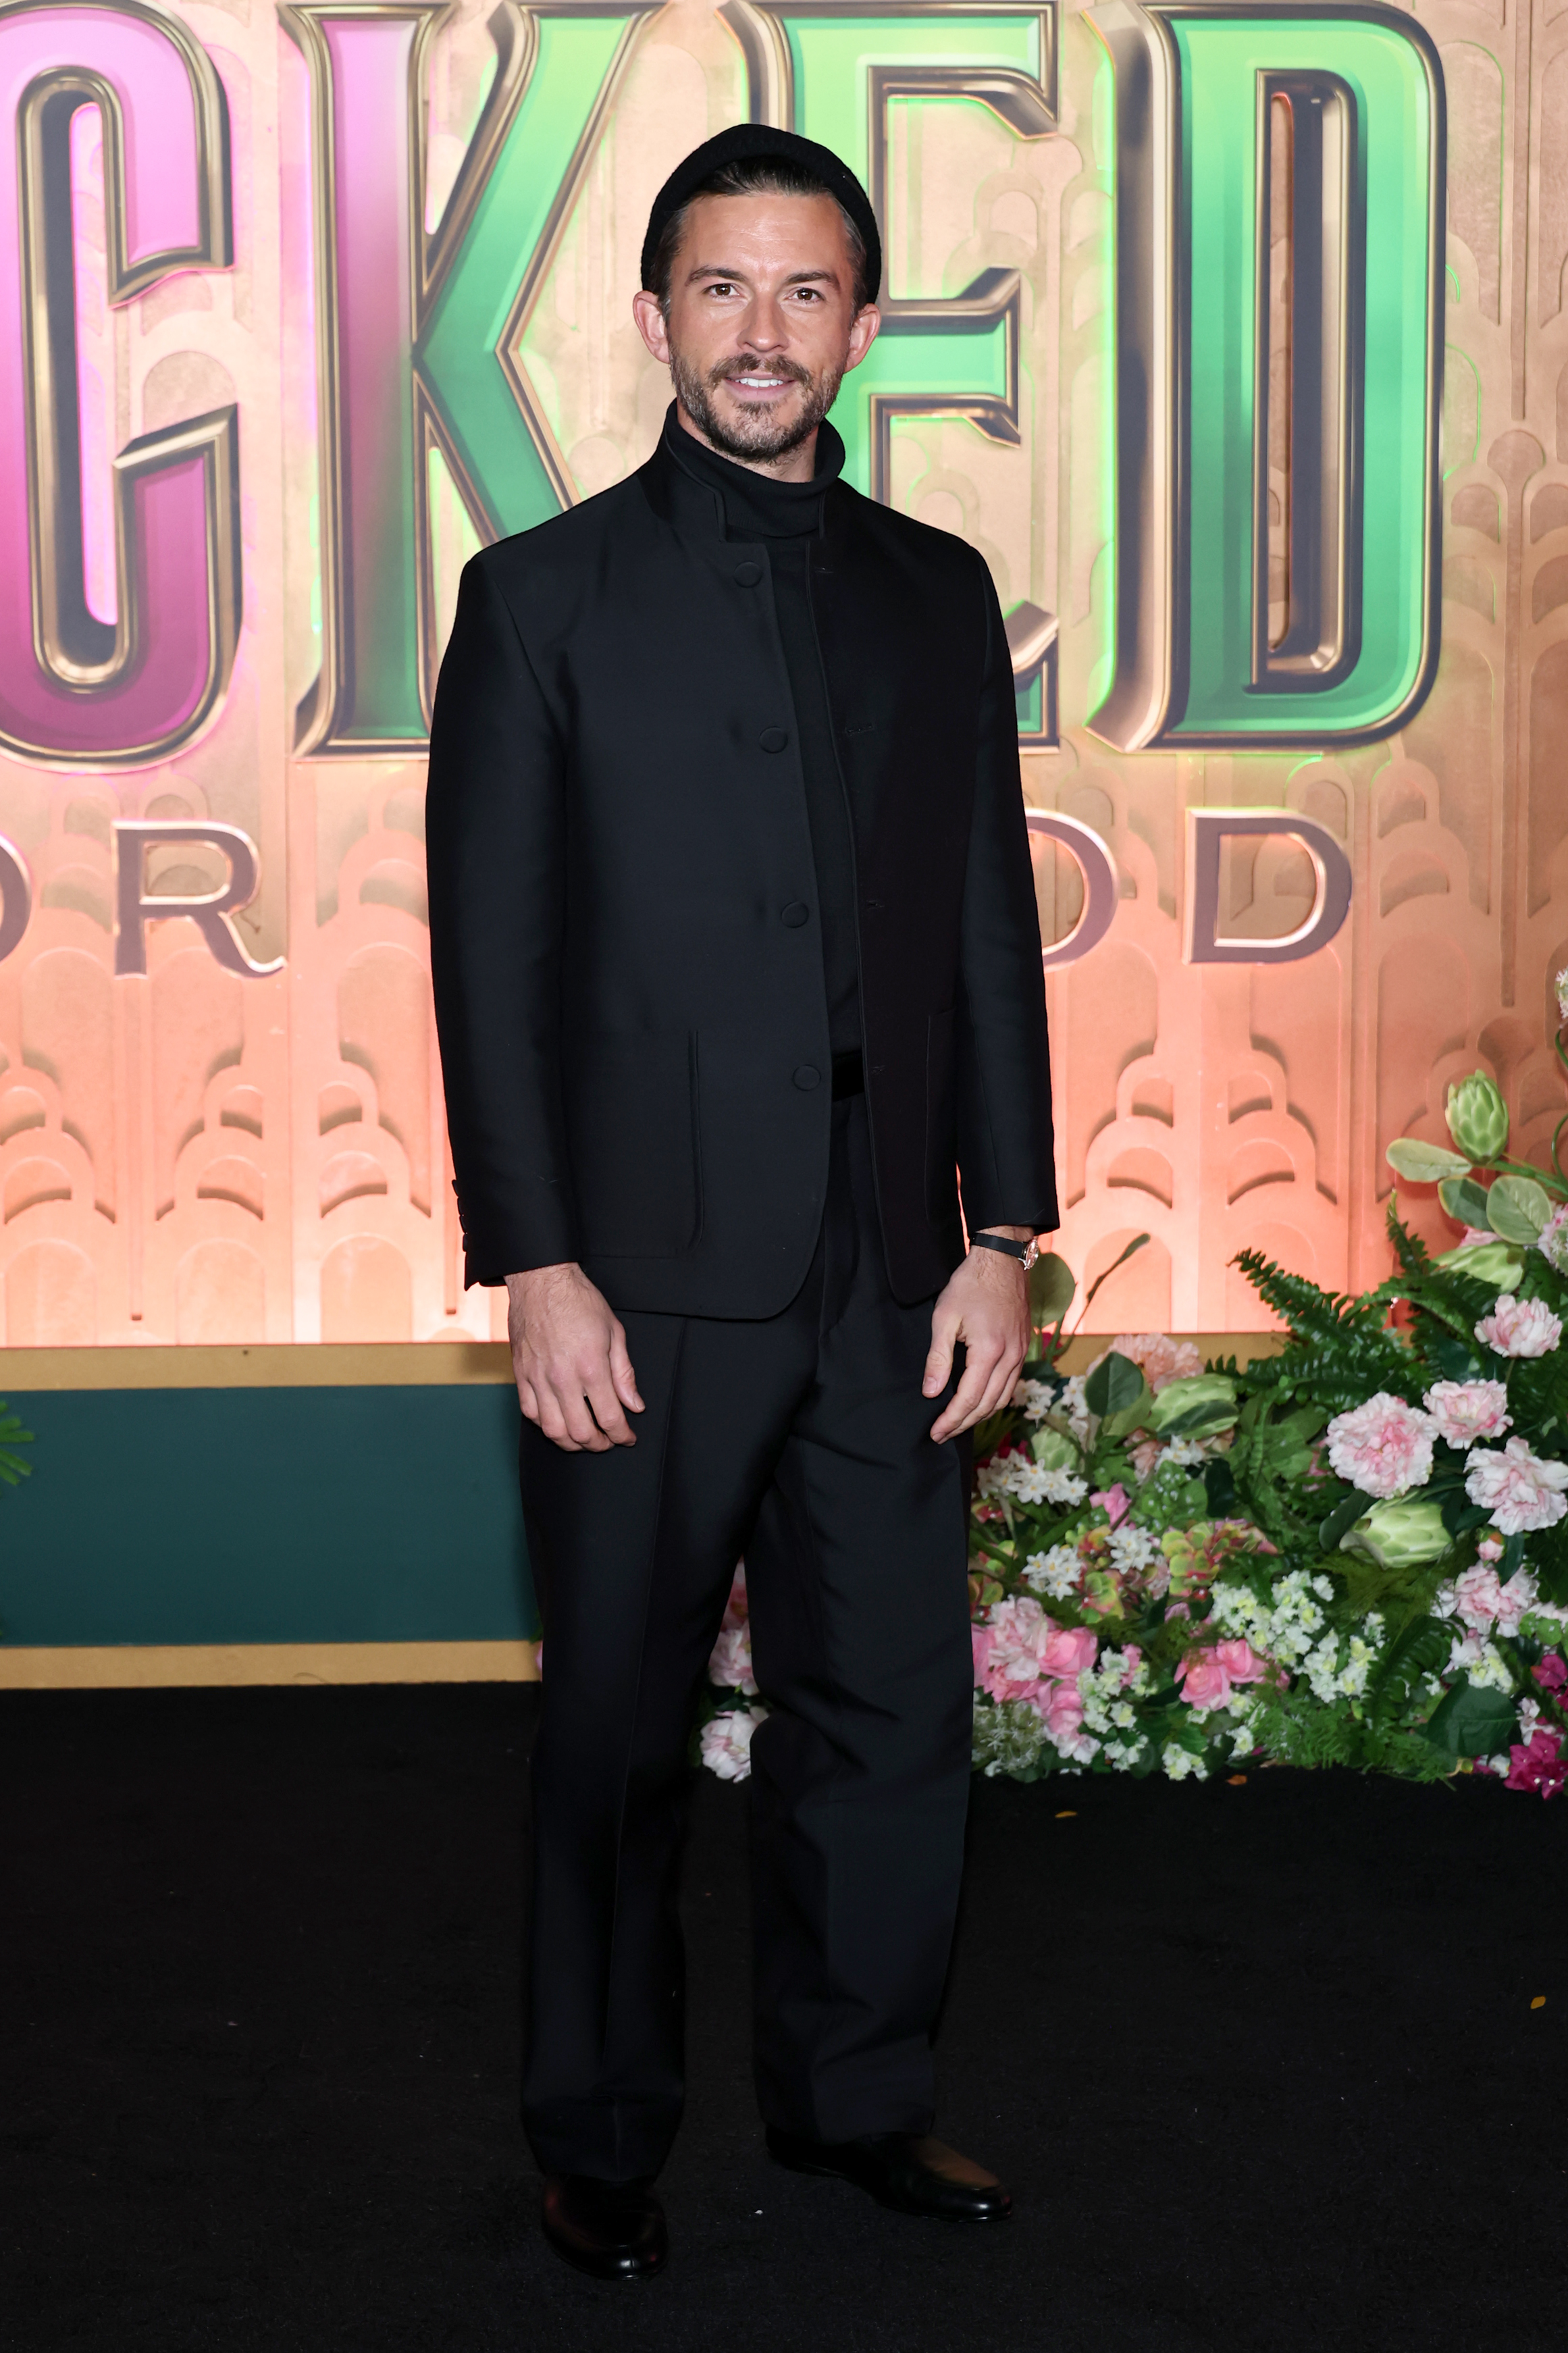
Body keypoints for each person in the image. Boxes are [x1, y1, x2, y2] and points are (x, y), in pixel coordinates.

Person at [426, 123, 1057, 2283]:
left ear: (861, 326)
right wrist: (536, 1261)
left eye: (802, 292)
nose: (760, 330)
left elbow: (985, 929)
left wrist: (1005, 1225)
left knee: (889, 1715)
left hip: (895, 1263)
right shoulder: (539, 603)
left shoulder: (934, 591)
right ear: (651, 318)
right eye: (719, 289)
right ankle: (597, 2128)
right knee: (610, 1719)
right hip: (642, 1288)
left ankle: (862, 2095)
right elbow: (487, 963)